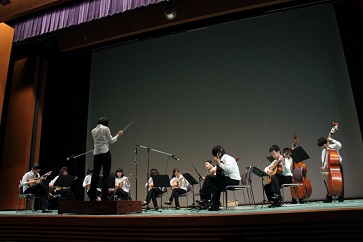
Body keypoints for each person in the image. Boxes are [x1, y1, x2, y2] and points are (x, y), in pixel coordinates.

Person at [89, 117, 124, 201]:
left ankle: (92, 196)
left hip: (97, 154)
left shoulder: (93, 130)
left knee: (95, 175)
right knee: (106, 175)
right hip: (105, 154)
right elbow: (111, 140)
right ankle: (104, 196)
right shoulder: (105, 128)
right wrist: (118, 135)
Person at [198, 145, 241, 211]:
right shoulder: (223, 159)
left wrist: (219, 164)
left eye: (215, 155)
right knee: (216, 184)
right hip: (229, 179)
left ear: (218, 154)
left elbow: (229, 170)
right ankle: (215, 205)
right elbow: (219, 170)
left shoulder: (227, 158)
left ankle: (205, 200)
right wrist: (216, 166)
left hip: (233, 180)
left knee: (209, 177)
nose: (215, 157)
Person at [317, 134, 344, 203]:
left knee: (340, 181)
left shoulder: (333, 147)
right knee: (329, 182)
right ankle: (329, 197)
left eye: (322, 146)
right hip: (330, 167)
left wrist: (332, 140)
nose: (322, 147)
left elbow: (340, 145)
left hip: (337, 165)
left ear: (325, 144)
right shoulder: (323, 152)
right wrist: (323, 167)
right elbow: (324, 161)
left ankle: (341, 197)